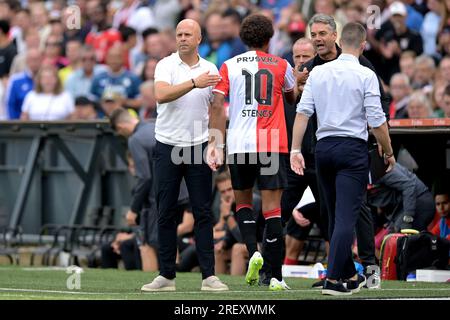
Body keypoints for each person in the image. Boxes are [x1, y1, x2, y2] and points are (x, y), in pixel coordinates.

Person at [291, 22, 395, 296]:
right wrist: (388, 150)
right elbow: (377, 119)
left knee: (336, 217)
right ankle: (334, 279)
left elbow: (303, 112)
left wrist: (295, 150)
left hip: (322, 149)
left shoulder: (318, 72)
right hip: (352, 150)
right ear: (362, 46)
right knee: (347, 218)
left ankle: (348, 274)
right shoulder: (365, 74)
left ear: (339, 39)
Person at [208, 13, 296, 291]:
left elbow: (217, 104)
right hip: (272, 144)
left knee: (243, 203)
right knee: (273, 212)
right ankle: (276, 278)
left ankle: (252, 251)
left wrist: (216, 143)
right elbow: (292, 96)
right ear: (269, 39)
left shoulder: (228, 66)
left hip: (239, 144)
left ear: (243, 39)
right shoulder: (282, 65)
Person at [141, 19, 228, 292]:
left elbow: (217, 109)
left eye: (188, 34)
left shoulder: (211, 68)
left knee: (203, 211)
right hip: (167, 145)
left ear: (199, 38)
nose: (182, 38)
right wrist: (194, 82)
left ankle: (209, 277)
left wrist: (217, 144)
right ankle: (166, 276)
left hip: (199, 145)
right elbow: (161, 94)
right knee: (165, 211)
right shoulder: (166, 65)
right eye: (179, 34)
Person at [367, 163, 436, 234]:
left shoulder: (379, 169)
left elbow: (409, 186)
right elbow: (370, 211)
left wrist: (407, 220)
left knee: (400, 236)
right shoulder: (359, 181)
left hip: (419, 200)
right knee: (389, 238)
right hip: (400, 209)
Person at [5, 48, 42, 119]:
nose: (34, 62)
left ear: (41, 60)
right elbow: (10, 104)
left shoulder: (48, 79)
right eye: (32, 59)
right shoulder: (15, 80)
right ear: (27, 61)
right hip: (21, 125)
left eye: (37, 59)